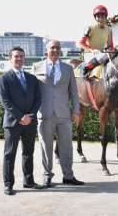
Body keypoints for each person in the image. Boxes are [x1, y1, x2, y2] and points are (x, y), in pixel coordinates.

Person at [31, 40, 84, 187]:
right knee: (46, 147)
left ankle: (68, 175)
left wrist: (75, 111)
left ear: (61, 50)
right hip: (44, 113)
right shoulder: (36, 67)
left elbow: (74, 92)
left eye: (58, 48)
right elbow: (31, 92)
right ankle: (47, 176)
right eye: (52, 47)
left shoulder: (68, 68)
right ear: (46, 50)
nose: (55, 50)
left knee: (66, 146)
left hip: (64, 114)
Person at [0, 46, 43, 195]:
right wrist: (21, 117)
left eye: (21, 56)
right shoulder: (4, 78)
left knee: (28, 153)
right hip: (13, 123)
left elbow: (38, 99)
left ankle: (28, 181)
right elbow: (6, 102)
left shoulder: (32, 78)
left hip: (29, 123)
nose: (19, 59)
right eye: (16, 56)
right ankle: (8, 184)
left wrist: (29, 116)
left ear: (24, 58)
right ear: (10, 58)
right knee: (9, 154)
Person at [80, 5, 114, 76]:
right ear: (95, 17)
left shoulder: (108, 30)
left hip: (102, 55)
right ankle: (85, 68)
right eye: (98, 17)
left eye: (102, 17)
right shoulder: (91, 28)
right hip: (90, 54)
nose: (100, 19)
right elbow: (81, 43)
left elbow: (110, 45)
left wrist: (110, 52)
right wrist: (93, 50)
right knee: (102, 56)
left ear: (105, 18)